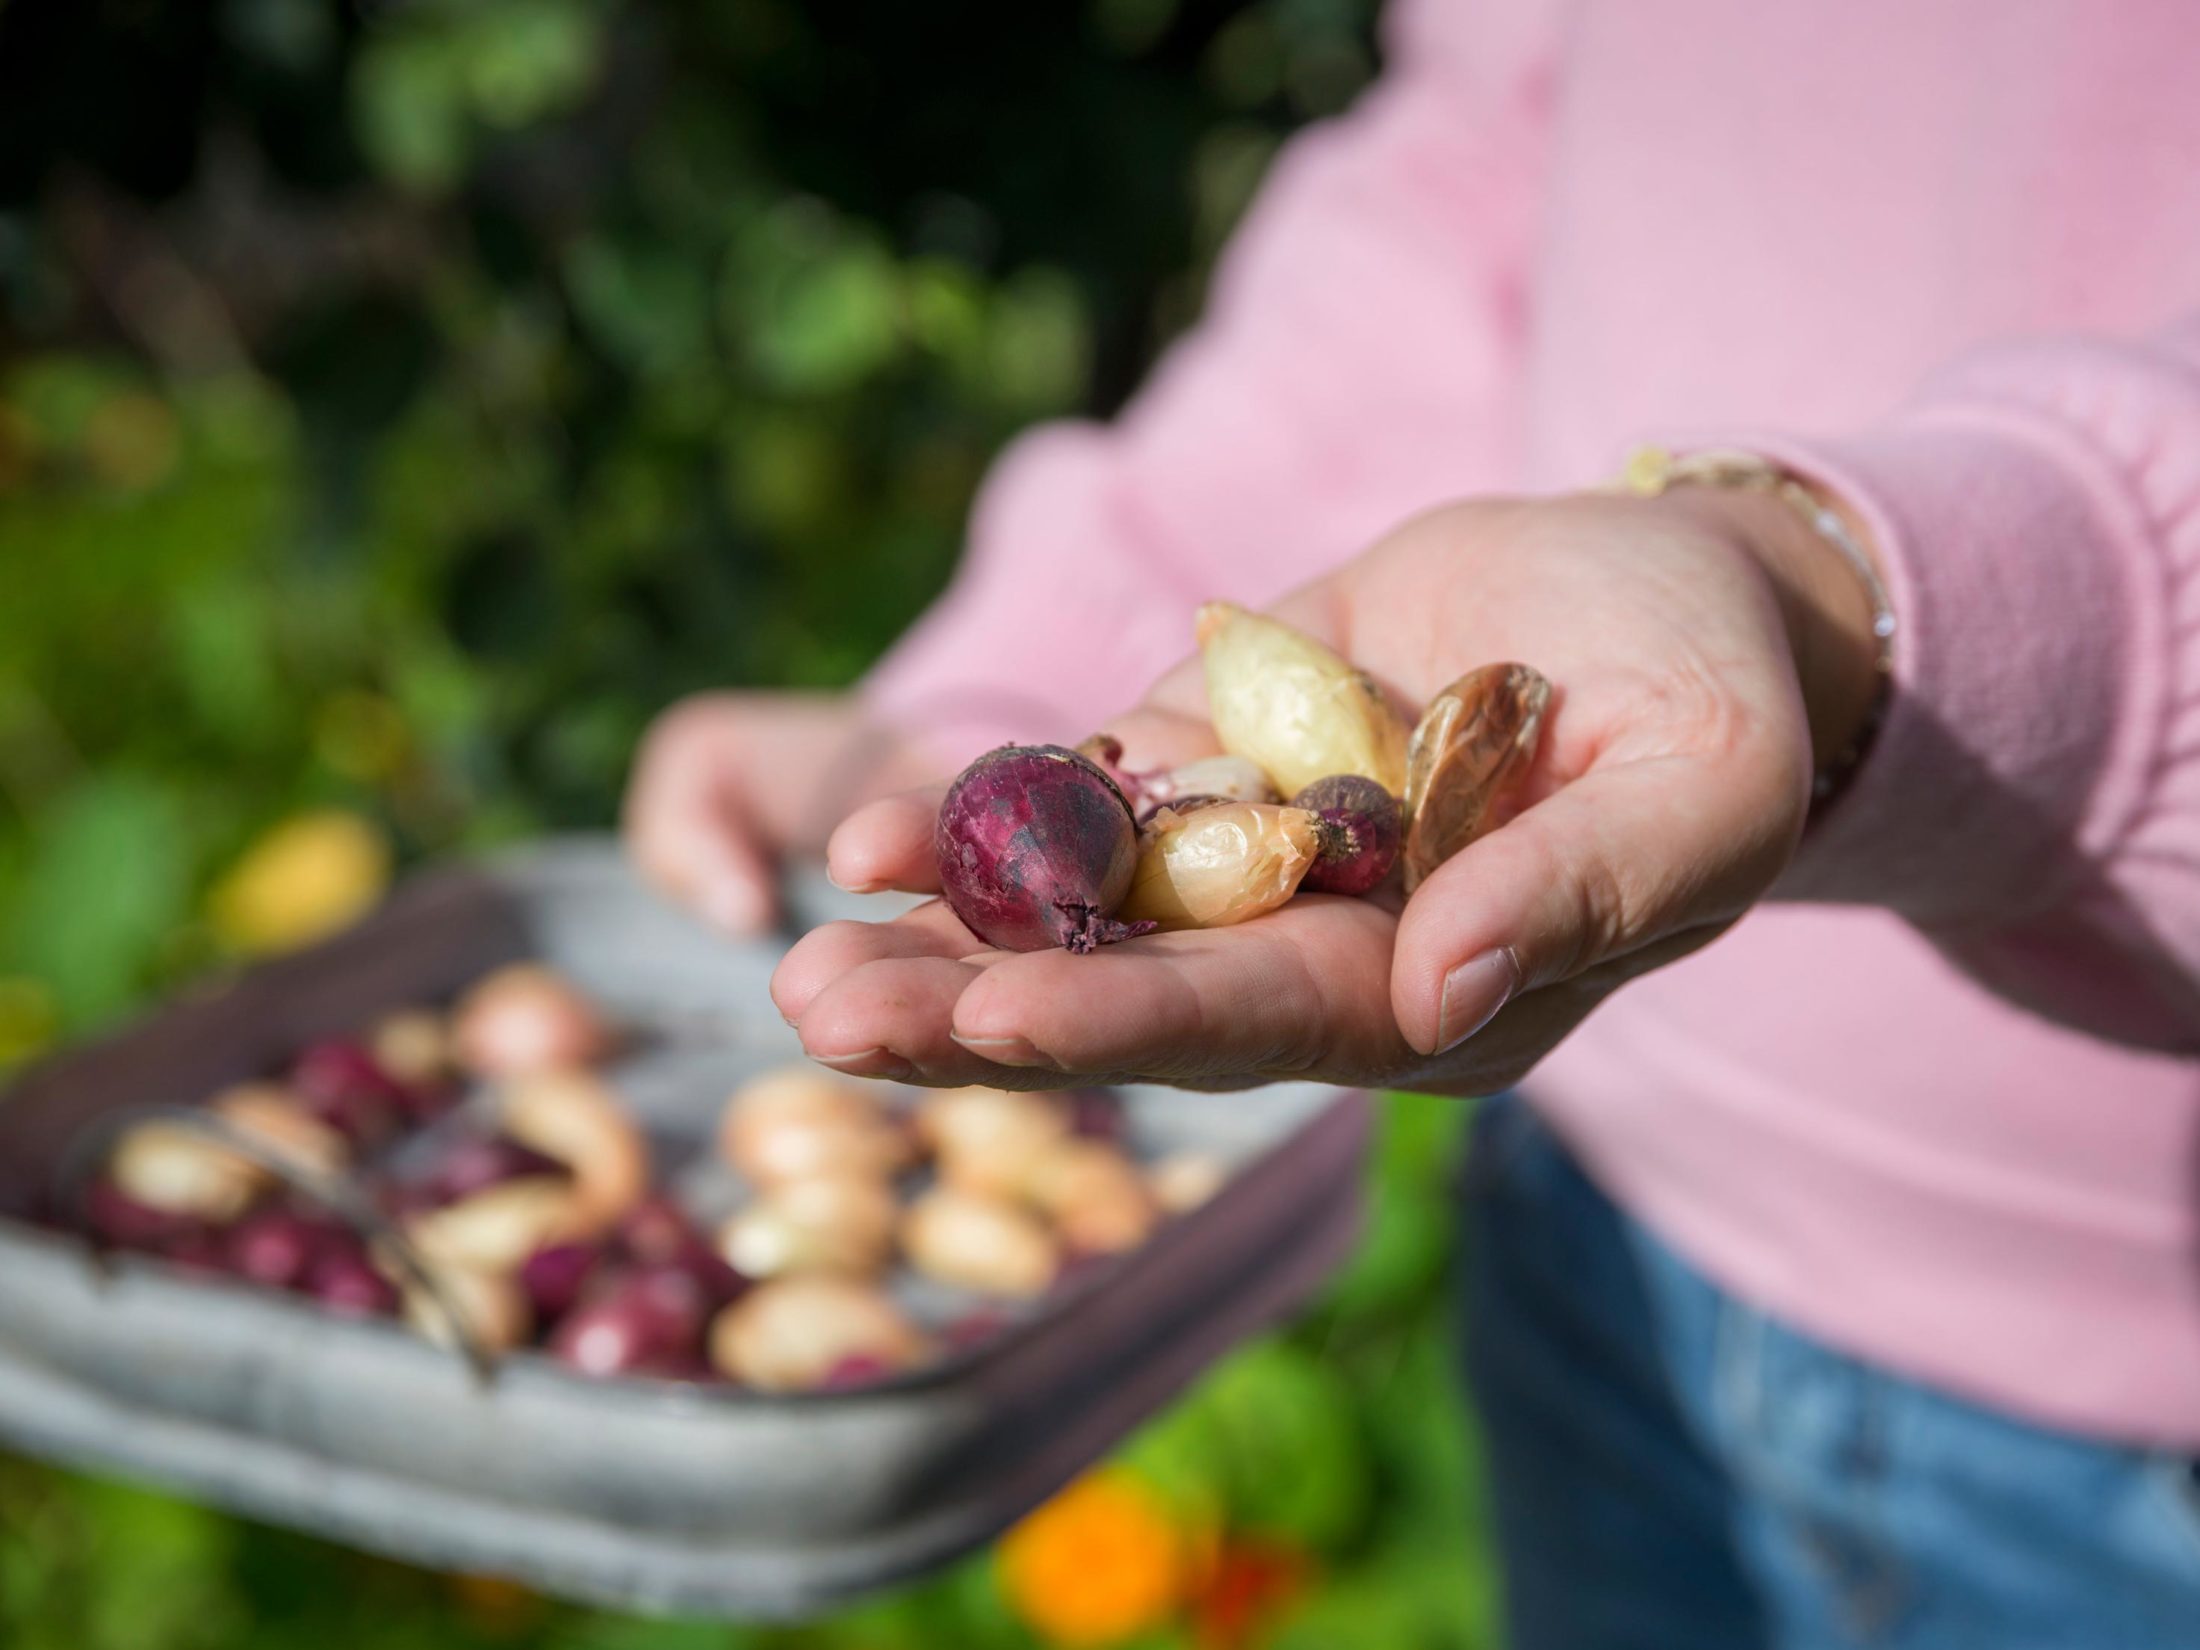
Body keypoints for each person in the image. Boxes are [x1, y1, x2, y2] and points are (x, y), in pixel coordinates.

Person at [625, 1, 2200, 1642]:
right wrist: (1031, 666)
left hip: (2118, 1424)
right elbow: (1475, 170)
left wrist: (1837, 601)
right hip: (1594, 1236)